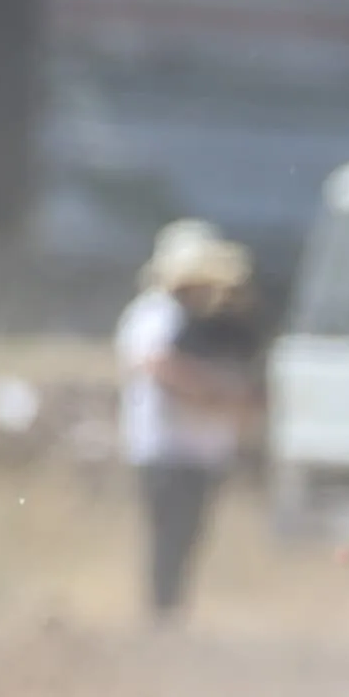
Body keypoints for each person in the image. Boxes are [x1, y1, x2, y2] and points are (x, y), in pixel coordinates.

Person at [119, 223, 262, 616]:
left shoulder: (209, 319)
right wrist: (215, 393)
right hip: (164, 448)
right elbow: (159, 367)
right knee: (169, 537)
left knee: (189, 537)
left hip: (203, 450)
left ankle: (171, 610)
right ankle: (161, 613)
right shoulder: (154, 314)